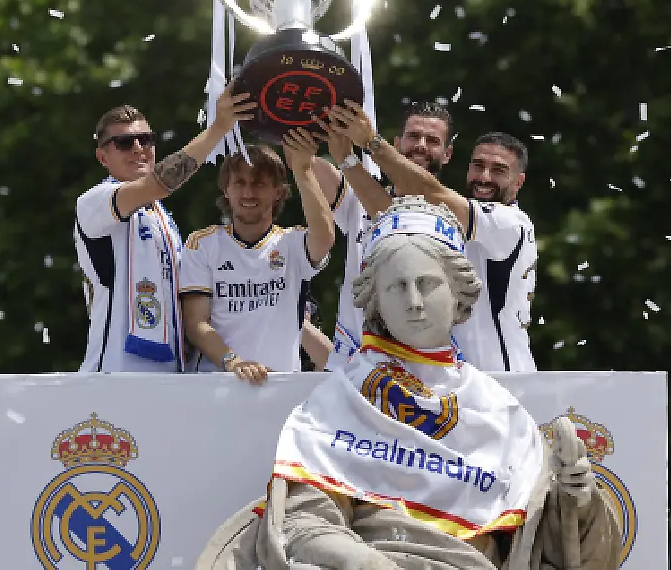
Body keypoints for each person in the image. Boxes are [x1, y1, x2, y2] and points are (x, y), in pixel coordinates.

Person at [195, 198, 621, 570]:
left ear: (458, 293)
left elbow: (546, 548)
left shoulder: (498, 409)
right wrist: (362, 561)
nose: (414, 302)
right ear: (375, 300)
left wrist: (576, 499)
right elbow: (302, 523)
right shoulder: (342, 396)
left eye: (428, 284)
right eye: (397, 287)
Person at [325, 101, 539, 372]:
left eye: (498, 170)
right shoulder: (460, 214)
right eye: (478, 166)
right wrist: (346, 160)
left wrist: (371, 142)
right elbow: (390, 213)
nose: (484, 177)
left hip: (501, 376)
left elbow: (433, 194)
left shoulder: (509, 222)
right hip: (457, 379)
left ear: (519, 182)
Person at [74, 85, 255, 373]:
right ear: (102, 157)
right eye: (123, 142)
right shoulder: (94, 202)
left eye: (146, 139)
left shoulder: (162, 219)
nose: (138, 148)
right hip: (114, 373)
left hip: (170, 377)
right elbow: (160, 183)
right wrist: (219, 128)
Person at [178, 130, 334, 383]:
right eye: (240, 183)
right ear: (226, 190)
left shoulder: (292, 243)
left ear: (279, 193)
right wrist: (234, 362)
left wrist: (303, 170)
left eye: (259, 183)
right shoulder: (202, 243)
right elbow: (196, 324)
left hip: (280, 388)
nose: (248, 192)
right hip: (215, 387)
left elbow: (325, 238)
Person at [310, 101, 456, 369]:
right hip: (354, 360)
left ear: (447, 154)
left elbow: (395, 217)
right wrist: (304, 120)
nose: (421, 145)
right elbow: (307, 164)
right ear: (397, 143)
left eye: (432, 140)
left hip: (421, 365)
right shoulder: (358, 200)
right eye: (413, 136)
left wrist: (361, 150)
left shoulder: (453, 214)